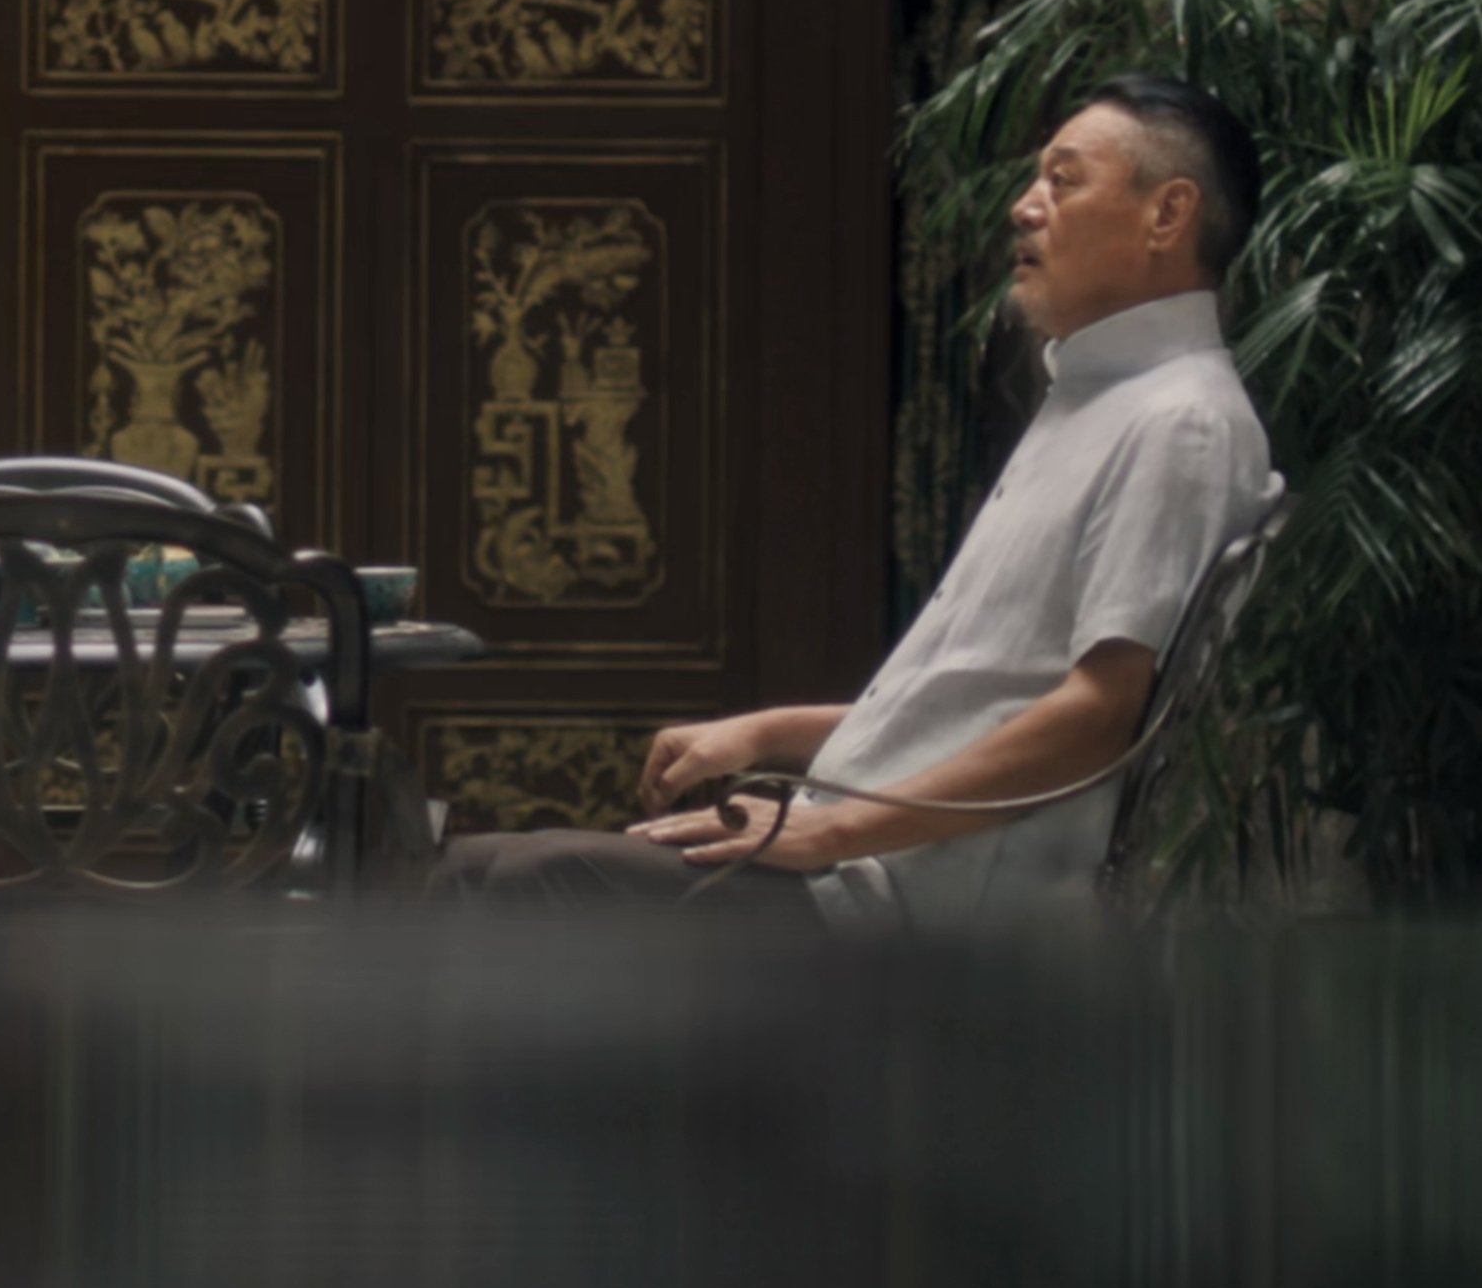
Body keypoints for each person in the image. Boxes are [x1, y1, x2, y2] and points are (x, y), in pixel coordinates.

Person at [438, 75, 1280, 928]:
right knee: (475, 867)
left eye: (1062, 181)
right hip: (865, 859)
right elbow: (977, 699)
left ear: (1167, 214)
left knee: (525, 881)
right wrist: (768, 733)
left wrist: (833, 831)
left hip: (919, 905)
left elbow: (1101, 716)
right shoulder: (1102, 399)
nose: (1024, 208)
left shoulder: (1181, 422)